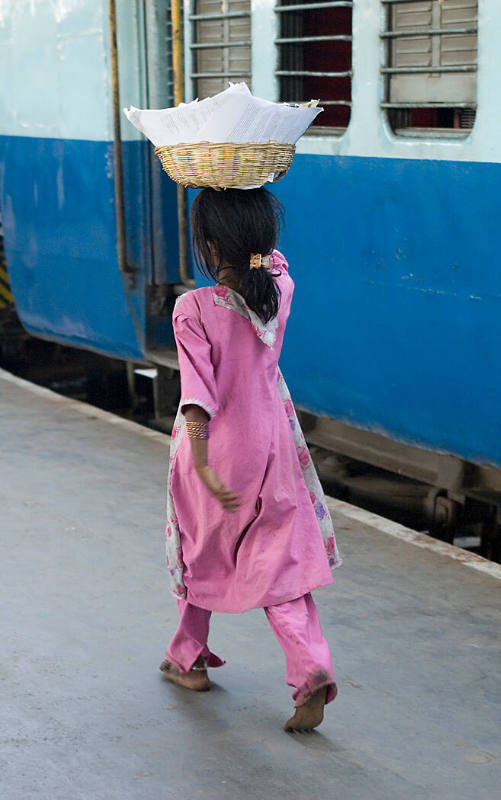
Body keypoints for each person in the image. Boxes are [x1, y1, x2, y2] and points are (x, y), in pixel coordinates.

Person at [159, 187, 341, 732]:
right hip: (275, 442)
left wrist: (203, 464)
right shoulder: (280, 287)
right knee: (278, 563)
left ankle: (188, 658)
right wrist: (251, 245)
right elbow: (271, 260)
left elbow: (197, 397)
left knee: (198, 550)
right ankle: (309, 667)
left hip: (217, 449)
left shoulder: (194, 309)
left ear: (209, 245)